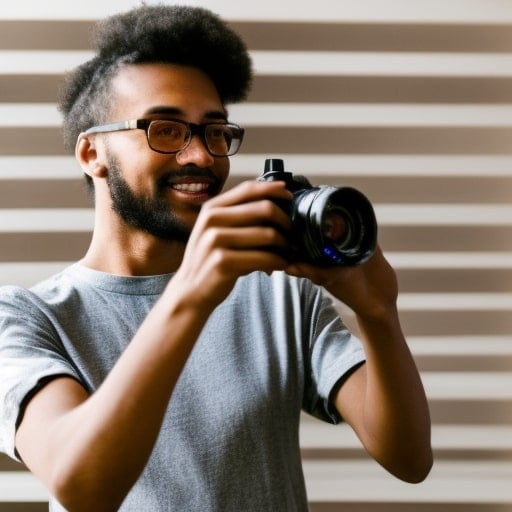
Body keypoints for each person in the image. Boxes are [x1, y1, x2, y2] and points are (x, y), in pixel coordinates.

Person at [0, 4, 432, 511]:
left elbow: (408, 459)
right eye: (165, 129)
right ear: (92, 153)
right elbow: (81, 485)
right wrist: (190, 294)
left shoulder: (279, 296)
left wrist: (379, 313)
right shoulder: (28, 318)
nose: (202, 155)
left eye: (215, 131)